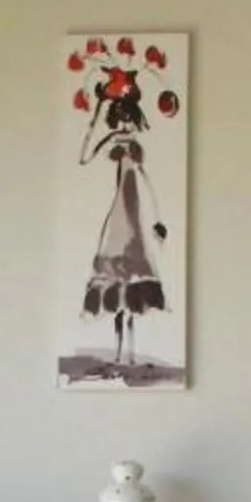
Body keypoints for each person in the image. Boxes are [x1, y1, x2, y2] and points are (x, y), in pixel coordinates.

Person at [78, 69, 167, 371]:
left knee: (131, 298)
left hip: (134, 215)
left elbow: (144, 176)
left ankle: (129, 353)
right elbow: (84, 157)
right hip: (119, 216)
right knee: (118, 298)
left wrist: (157, 218)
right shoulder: (114, 139)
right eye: (122, 117)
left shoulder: (134, 145)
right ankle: (120, 353)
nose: (126, 123)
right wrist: (96, 117)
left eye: (129, 117)